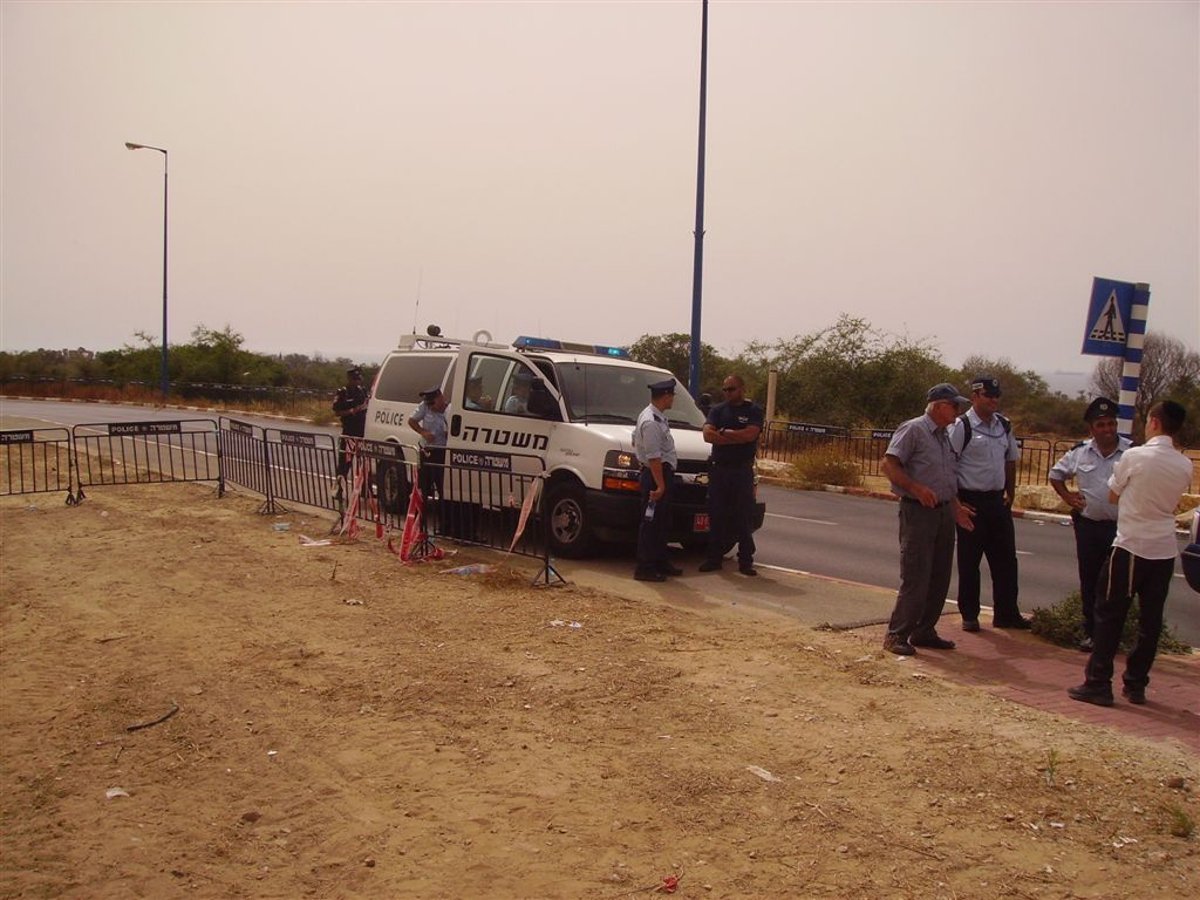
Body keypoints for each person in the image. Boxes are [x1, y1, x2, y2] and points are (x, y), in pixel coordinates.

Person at [1068, 400, 1192, 707]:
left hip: (1131, 544)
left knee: (1109, 613)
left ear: (1154, 422)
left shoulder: (1135, 456)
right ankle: (1136, 684)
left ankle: (1098, 681)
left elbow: (1113, 493)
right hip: (1163, 548)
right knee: (1150, 620)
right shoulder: (1184, 464)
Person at [880, 383, 976, 656]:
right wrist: (915, 488)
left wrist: (956, 507)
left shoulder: (944, 435)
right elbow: (889, 464)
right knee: (916, 574)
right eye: (954, 405)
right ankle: (897, 634)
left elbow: (946, 476)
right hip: (918, 511)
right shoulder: (913, 429)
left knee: (940, 574)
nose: (958, 411)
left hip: (943, 510)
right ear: (938, 405)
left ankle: (924, 630)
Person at [948, 375, 1029, 631]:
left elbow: (1010, 460)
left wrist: (1010, 492)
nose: (994, 400)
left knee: (1006, 560)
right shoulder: (962, 426)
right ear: (975, 396)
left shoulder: (1003, 425)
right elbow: (949, 464)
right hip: (971, 501)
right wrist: (956, 503)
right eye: (988, 396)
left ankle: (1007, 614)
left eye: (996, 396)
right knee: (970, 561)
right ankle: (969, 615)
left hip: (997, 501)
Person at [1049, 397, 1130, 651]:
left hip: (1122, 530)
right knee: (1091, 581)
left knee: (1118, 585)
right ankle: (1092, 634)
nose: (1107, 429)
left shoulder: (1132, 453)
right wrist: (1067, 497)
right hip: (1090, 527)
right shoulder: (1079, 452)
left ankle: (1114, 636)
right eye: (1101, 425)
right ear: (1091, 429)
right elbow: (1055, 475)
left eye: (1111, 424)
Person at [700, 374, 764, 576]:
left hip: (741, 471)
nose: (728, 393)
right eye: (725, 389)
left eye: (732, 389)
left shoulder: (753, 410)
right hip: (720, 470)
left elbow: (750, 435)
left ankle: (746, 561)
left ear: (742, 389)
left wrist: (724, 434)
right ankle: (713, 558)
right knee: (716, 514)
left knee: (743, 516)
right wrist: (734, 436)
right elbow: (707, 435)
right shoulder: (718, 410)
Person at [632, 378, 682, 582]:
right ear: (666, 396)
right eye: (672, 396)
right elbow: (653, 457)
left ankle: (660, 560)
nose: (673, 399)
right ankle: (645, 567)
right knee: (651, 523)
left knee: (662, 522)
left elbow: (635, 440)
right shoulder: (651, 421)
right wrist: (660, 485)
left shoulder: (658, 417)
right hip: (656, 476)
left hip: (659, 474)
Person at [408, 386, 449, 504]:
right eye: (429, 404)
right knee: (424, 487)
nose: (431, 406)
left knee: (443, 487)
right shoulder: (425, 406)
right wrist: (423, 432)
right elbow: (411, 421)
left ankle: (443, 519)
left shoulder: (449, 410)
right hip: (428, 452)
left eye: (433, 403)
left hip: (442, 452)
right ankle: (421, 519)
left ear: (440, 398)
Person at [332, 366, 369, 483]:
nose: (356, 381)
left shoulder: (362, 391)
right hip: (349, 432)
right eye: (354, 379)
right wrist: (351, 411)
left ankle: (364, 488)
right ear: (349, 378)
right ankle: (338, 488)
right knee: (344, 463)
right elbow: (337, 412)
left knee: (363, 462)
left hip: (362, 432)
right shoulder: (343, 392)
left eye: (358, 379)